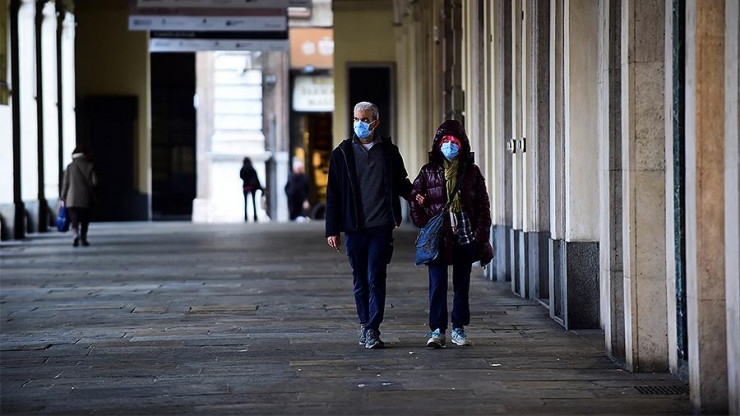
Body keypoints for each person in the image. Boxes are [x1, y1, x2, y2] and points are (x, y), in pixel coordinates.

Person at [325, 101, 415, 349]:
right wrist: (332, 229)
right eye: (356, 119)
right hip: (354, 227)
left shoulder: (389, 152)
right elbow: (333, 194)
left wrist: (417, 196)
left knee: (376, 276)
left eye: (365, 120)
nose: (360, 124)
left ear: (376, 122)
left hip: (381, 226)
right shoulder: (342, 153)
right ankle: (365, 324)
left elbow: (401, 182)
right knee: (360, 279)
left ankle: (373, 328)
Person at [410, 120, 493, 348]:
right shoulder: (428, 172)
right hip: (439, 236)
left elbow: (483, 205)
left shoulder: (471, 172)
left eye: (453, 141)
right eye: (445, 141)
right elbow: (414, 197)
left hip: (465, 234)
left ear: (462, 144)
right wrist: (424, 222)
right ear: (438, 144)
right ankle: (437, 330)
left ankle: (458, 328)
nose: (449, 145)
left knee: (461, 284)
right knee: (437, 284)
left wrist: (481, 236)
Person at [61, 145, 98, 247]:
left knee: (74, 219)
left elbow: (66, 183)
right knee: (85, 219)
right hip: (85, 197)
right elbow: (95, 182)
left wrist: (63, 196)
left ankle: (75, 235)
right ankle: (83, 238)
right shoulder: (90, 166)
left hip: (71, 199)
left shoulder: (70, 167)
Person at [240, 157, 263, 222]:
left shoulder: (243, 168)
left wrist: (245, 180)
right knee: (254, 201)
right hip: (252, 187)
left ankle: (246, 216)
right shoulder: (252, 169)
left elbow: (241, 176)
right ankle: (255, 216)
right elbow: (256, 178)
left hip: (245, 186)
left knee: (245, 202)